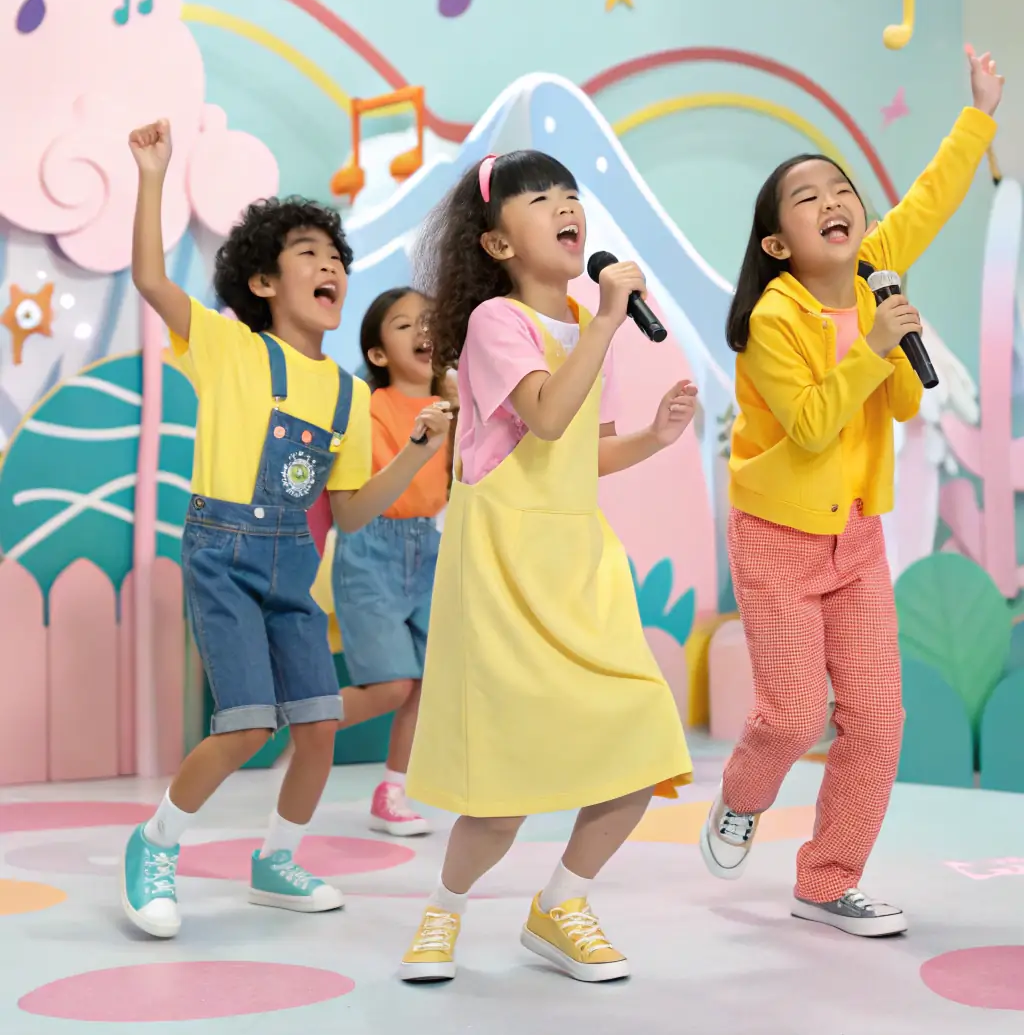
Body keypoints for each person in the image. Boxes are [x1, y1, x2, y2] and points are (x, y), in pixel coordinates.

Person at [120, 119, 451, 940]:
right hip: (223, 555)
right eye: (308, 252)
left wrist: (414, 452)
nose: (329, 264)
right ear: (265, 282)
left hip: (292, 568)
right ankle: (153, 841)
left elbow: (347, 511)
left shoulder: (345, 395)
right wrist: (153, 174)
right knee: (245, 725)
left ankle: (277, 860)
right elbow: (151, 278)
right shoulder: (229, 346)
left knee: (319, 727)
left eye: (335, 255)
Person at [700, 46, 1003, 937]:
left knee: (878, 720)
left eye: (841, 188)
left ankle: (827, 879)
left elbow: (934, 199)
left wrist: (980, 113)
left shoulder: (875, 266)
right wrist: (874, 346)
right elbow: (811, 426)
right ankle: (741, 795)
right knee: (792, 714)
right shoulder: (772, 320)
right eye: (808, 197)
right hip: (777, 539)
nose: (835, 202)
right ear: (775, 242)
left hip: (857, 541)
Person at [397, 148, 696, 985]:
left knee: (642, 742)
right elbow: (547, 418)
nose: (567, 205)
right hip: (506, 565)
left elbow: (584, 455)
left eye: (572, 193)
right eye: (541, 198)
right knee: (504, 786)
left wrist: (654, 438)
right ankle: (442, 912)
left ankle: (561, 902)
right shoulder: (500, 323)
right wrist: (604, 320)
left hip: (577, 559)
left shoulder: (579, 321)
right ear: (495, 244)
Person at [332, 287, 456, 837]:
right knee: (391, 686)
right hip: (371, 550)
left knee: (428, 680)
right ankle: (297, 721)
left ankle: (393, 790)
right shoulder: (368, 406)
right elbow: (355, 497)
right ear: (378, 354)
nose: (422, 332)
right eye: (404, 326)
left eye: (429, 322)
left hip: (429, 546)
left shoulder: (454, 405)